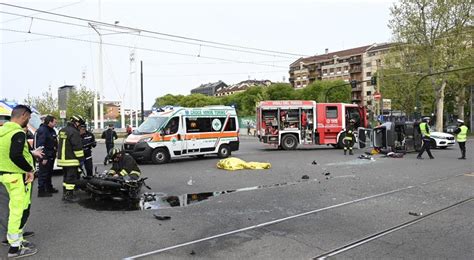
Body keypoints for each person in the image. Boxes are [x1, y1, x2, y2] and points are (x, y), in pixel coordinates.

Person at [0, 105, 44, 258]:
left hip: (5, 176)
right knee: (18, 210)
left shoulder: (3, 131)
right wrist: (29, 170)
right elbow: (15, 155)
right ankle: (15, 248)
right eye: (29, 118)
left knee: (13, 209)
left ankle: (15, 240)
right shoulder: (18, 132)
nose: (29, 120)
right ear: (24, 115)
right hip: (17, 177)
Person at [57, 115, 85, 203]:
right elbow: (77, 147)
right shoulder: (74, 132)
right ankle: (69, 195)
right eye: (80, 124)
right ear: (76, 123)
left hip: (63, 159)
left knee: (66, 177)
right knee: (71, 178)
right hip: (71, 160)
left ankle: (65, 193)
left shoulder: (62, 130)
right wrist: (81, 159)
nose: (80, 126)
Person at [34, 115, 58, 197]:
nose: (56, 123)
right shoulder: (43, 130)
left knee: (49, 173)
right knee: (43, 173)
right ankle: (41, 191)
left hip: (51, 155)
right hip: (45, 156)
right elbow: (41, 145)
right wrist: (44, 157)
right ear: (49, 122)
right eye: (55, 122)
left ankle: (49, 188)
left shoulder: (51, 130)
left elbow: (53, 141)